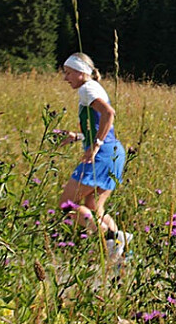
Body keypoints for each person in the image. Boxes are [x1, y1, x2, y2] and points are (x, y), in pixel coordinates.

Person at [58, 52, 132, 261]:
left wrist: (95, 146)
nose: (66, 78)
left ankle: (113, 241)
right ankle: (121, 254)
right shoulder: (94, 88)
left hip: (102, 154)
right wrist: (77, 137)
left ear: (81, 72)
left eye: (68, 73)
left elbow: (109, 113)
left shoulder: (87, 88)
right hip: (114, 151)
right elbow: (100, 127)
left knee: (67, 205)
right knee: (93, 208)